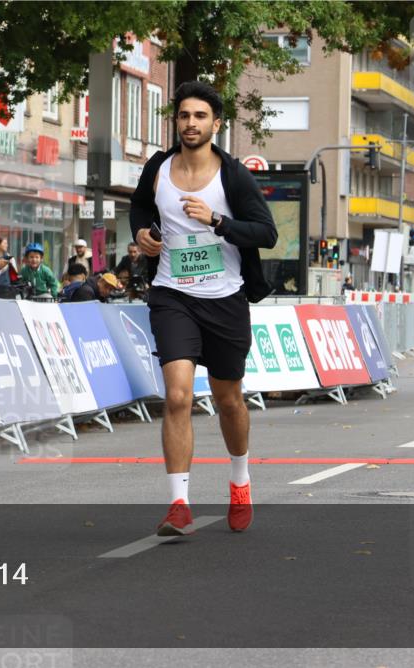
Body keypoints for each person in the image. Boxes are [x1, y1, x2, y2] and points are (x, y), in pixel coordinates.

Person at [130, 81, 277, 536]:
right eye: (183, 116)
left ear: (216, 123)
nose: (190, 124)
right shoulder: (158, 167)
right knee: (176, 396)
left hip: (226, 298)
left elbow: (266, 233)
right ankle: (178, 503)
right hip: (173, 295)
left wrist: (216, 220)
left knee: (228, 399)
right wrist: (141, 234)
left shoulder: (233, 175)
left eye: (199, 116)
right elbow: (138, 208)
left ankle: (239, 480)